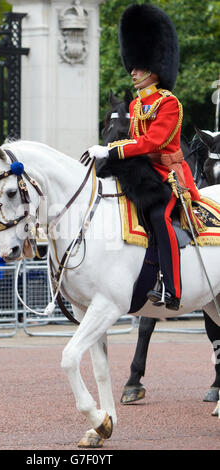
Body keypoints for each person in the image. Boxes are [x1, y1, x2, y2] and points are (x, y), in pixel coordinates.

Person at [87, 4, 201, 311]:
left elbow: (152, 141)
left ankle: (172, 287)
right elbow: (139, 142)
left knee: (158, 216)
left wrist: (112, 150)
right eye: (133, 67)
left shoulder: (169, 103)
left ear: (153, 70)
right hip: (143, 171)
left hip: (168, 175)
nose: (132, 72)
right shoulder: (138, 105)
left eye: (137, 68)